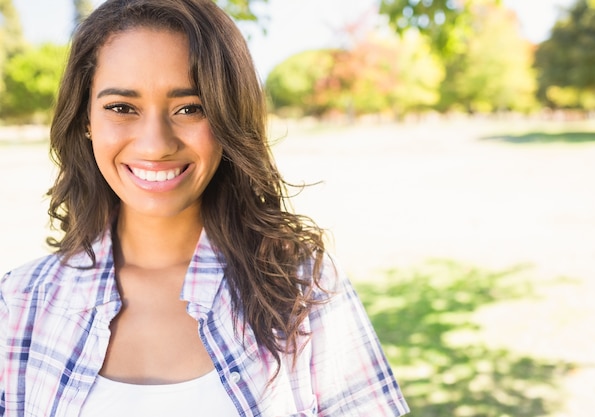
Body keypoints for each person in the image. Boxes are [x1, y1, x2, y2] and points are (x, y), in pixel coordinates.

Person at [0, 0, 409, 415]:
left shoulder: (304, 290)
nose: (156, 144)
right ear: (86, 119)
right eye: (122, 108)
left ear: (229, 119)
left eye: (190, 108)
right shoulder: (19, 303)